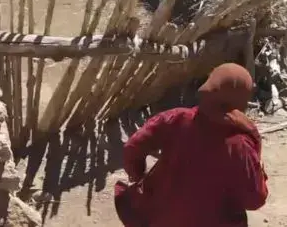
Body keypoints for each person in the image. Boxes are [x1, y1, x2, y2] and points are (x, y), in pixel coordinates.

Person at [114, 63, 268, 227]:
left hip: (162, 218)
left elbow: (133, 147)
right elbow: (255, 199)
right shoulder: (240, 145)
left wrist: (138, 176)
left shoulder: (176, 118)